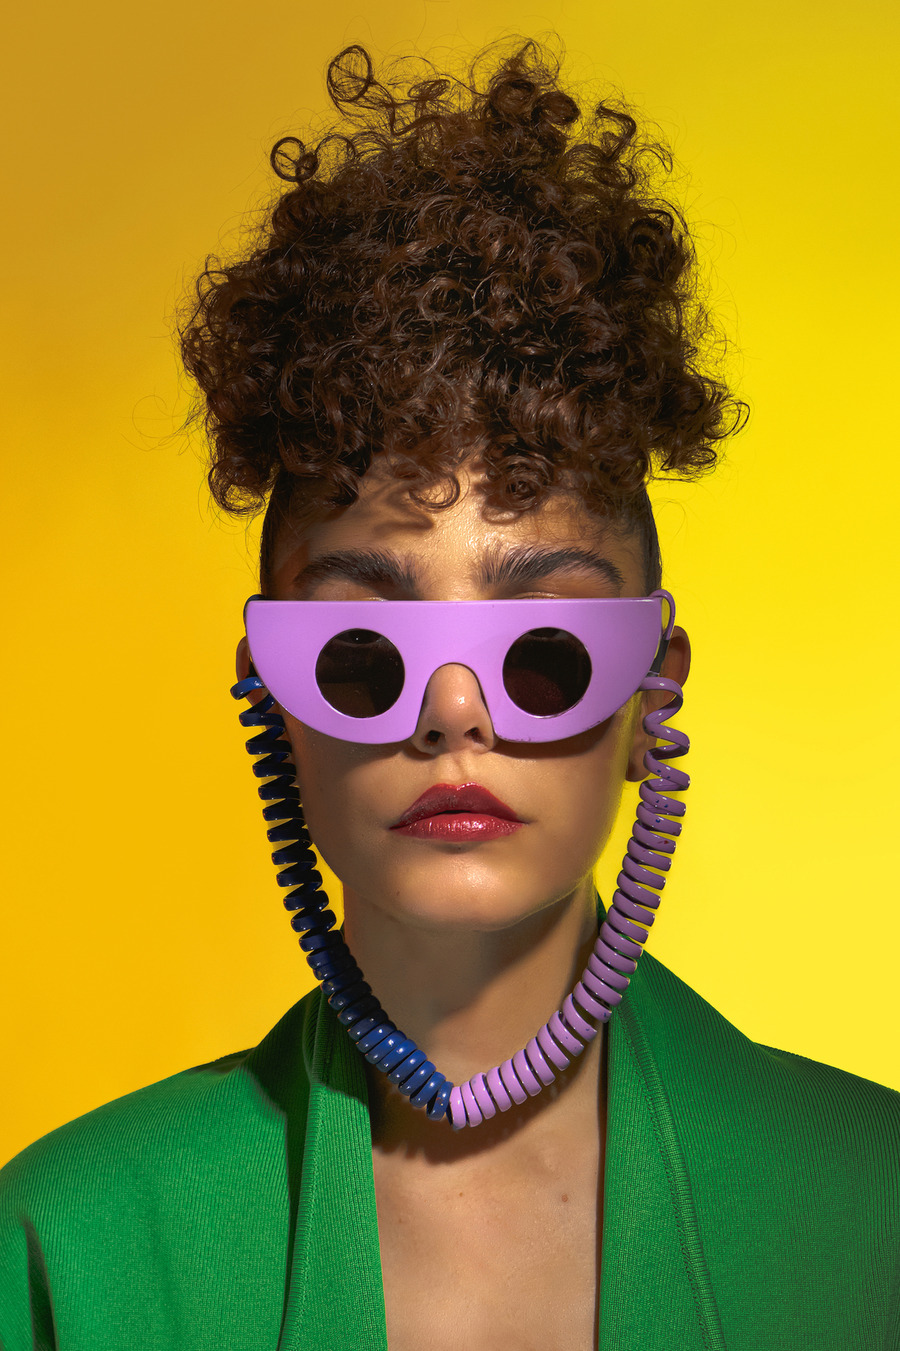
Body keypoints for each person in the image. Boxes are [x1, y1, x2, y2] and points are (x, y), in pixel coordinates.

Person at [1, 41, 897, 1351]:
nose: (456, 712)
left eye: (546, 648)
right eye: (363, 652)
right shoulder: (73, 1251)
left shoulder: (876, 1216)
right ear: (270, 699)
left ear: (655, 691)